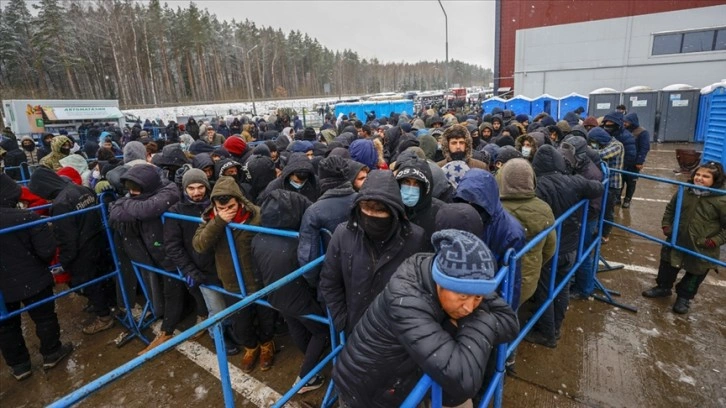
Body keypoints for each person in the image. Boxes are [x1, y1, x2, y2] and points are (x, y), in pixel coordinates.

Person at [332, 230, 519, 408]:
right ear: (441, 283)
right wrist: (480, 319)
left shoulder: (457, 276)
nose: (469, 307)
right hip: (366, 394)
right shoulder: (406, 301)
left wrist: (468, 319)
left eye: (478, 298)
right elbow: (463, 379)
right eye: (462, 296)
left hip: (399, 381)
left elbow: (510, 323)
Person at [319, 170, 427, 335]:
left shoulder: (414, 238)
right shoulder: (343, 234)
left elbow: (423, 291)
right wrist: (342, 321)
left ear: (393, 212)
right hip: (356, 330)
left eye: (379, 211)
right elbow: (329, 281)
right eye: (366, 209)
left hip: (397, 336)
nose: (370, 216)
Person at [192, 176, 276, 372]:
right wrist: (219, 222)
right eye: (220, 208)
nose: (226, 211)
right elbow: (199, 245)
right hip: (231, 281)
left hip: (258, 278)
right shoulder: (210, 218)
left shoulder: (256, 215)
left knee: (266, 316)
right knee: (241, 322)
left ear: (238, 200)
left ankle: (266, 346)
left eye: (230, 206)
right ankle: (251, 348)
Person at [253, 190, 330, 394]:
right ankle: (305, 377)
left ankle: (310, 358)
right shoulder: (297, 240)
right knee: (321, 331)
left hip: (276, 296)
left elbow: (257, 272)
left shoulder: (258, 238)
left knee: (295, 324)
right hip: (299, 297)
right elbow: (310, 274)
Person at [526, 145, 603, 348]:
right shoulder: (574, 181)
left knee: (544, 291)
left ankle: (547, 334)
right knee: (561, 287)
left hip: (549, 249)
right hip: (570, 246)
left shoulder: (537, 187)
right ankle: (556, 327)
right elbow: (598, 187)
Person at [0, 174, 73, 380]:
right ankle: (51, 352)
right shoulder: (25, 217)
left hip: (2, 289)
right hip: (33, 278)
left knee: (6, 326)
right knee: (44, 317)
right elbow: (47, 250)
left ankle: (19, 365)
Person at [28, 167, 116, 335]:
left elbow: (67, 238)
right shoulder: (81, 189)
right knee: (102, 278)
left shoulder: (60, 203)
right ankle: (108, 304)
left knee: (89, 283)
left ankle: (104, 317)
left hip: (82, 250)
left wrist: (65, 260)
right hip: (98, 240)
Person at [109, 164, 185, 354]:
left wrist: (125, 203)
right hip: (159, 250)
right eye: (130, 189)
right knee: (172, 287)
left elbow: (148, 209)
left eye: (137, 188)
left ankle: (172, 329)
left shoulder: (169, 189)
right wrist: (133, 203)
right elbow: (114, 213)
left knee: (187, 287)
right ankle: (171, 325)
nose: (132, 192)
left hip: (177, 250)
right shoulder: (142, 195)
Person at [642, 162, 725, 314]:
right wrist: (667, 226)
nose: (699, 178)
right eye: (698, 175)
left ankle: (684, 298)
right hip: (676, 239)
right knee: (667, 265)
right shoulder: (685, 190)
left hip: (702, 246)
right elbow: (670, 209)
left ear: (716, 180)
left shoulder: (722, 199)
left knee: (695, 273)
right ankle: (663, 288)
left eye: (706, 176)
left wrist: (714, 241)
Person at [454, 169, 526, 306]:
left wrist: (506, 314)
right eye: (464, 200)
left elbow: (511, 282)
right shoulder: (459, 214)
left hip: (488, 296)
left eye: (475, 202)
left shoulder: (510, 232)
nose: (469, 207)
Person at [164, 169, 220, 340]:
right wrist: (189, 270)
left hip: (222, 264)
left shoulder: (216, 203)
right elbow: (173, 246)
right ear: (184, 189)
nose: (197, 192)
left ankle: (231, 333)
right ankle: (218, 337)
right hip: (202, 269)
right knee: (216, 308)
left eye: (200, 187)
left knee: (232, 304)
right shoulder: (176, 211)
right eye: (192, 188)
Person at [496, 158, 556, 306]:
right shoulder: (544, 209)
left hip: (499, 281)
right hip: (528, 281)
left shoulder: (496, 211)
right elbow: (550, 248)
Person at [298, 156, 358, 288]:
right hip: (361, 274)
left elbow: (308, 258)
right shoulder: (362, 201)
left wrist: (317, 283)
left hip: (332, 280)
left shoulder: (314, 211)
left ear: (322, 179)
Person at [395, 156, 444, 241]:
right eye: (406, 182)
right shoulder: (392, 209)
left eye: (417, 184)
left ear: (425, 188)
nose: (410, 189)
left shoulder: (439, 214)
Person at [587, 127, 623, 243]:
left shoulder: (617, 145)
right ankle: (599, 230)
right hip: (604, 182)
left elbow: (602, 155)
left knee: (608, 211)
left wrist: (587, 150)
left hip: (613, 183)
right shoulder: (606, 144)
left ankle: (605, 235)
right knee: (601, 208)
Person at [621, 113, 651, 208]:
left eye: (626, 121)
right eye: (624, 121)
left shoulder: (642, 132)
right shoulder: (624, 130)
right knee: (620, 180)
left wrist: (639, 161)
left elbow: (644, 148)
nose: (624, 123)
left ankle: (627, 200)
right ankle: (617, 198)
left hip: (634, 163)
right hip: (624, 160)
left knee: (631, 182)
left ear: (632, 121)